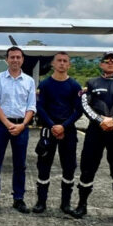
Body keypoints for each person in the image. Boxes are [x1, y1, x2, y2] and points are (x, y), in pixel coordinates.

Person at [75, 51, 113, 225]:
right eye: (106, 61)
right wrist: (100, 120)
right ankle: (81, 205)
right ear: (101, 64)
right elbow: (85, 105)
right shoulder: (91, 83)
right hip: (95, 131)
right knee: (87, 168)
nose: (110, 63)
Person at [0, 47, 36, 213]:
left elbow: (31, 106)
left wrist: (23, 125)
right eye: (12, 57)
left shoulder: (29, 81)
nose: (15, 60)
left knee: (20, 164)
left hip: (22, 125)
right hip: (2, 125)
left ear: (22, 60)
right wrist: (7, 123)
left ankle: (19, 199)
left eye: (18, 57)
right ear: (7, 59)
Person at [34, 52, 83, 214]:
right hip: (49, 130)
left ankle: (66, 203)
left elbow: (78, 110)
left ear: (69, 65)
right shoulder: (45, 85)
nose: (62, 64)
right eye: (59, 61)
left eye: (65, 61)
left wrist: (63, 126)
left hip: (68, 131)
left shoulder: (75, 86)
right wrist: (53, 125)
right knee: (43, 166)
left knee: (69, 167)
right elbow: (40, 107)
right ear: (53, 64)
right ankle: (41, 202)